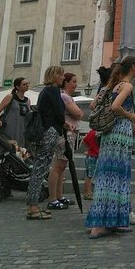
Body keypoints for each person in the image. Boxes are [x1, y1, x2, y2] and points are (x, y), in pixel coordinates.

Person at [85, 56, 135, 238]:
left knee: (107, 176)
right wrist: (130, 117)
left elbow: (93, 105)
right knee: (118, 177)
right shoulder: (126, 86)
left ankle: (107, 221)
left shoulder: (112, 85)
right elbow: (117, 107)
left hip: (109, 135)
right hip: (120, 136)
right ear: (133, 67)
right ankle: (102, 225)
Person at [26, 65, 70, 220]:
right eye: (61, 75)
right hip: (50, 132)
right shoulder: (53, 91)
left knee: (40, 168)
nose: (63, 78)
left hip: (45, 131)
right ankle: (32, 206)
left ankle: (34, 205)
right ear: (55, 76)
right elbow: (59, 112)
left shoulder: (45, 91)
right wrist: (64, 123)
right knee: (40, 169)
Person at [46, 72, 83, 210]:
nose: (75, 84)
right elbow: (78, 113)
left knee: (62, 167)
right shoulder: (64, 96)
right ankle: (53, 198)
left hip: (68, 134)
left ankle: (59, 195)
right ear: (66, 82)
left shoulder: (65, 97)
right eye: (73, 81)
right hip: (64, 134)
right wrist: (77, 113)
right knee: (57, 166)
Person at [0, 77, 31, 146]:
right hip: (9, 129)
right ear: (18, 87)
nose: (27, 85)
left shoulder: (28, 100)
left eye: (28, 83)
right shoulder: (10, 97)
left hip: (22, 131)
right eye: (24, 84)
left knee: (20, 152)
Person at [82, 128, 99, 200]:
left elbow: (84, 141)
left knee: (89, 175)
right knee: (89, 176)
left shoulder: (91, 132)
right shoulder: (99, 133)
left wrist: (89, 148)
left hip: (91, 155)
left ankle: (88, 192)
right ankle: (87, 193)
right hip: (94, 156)